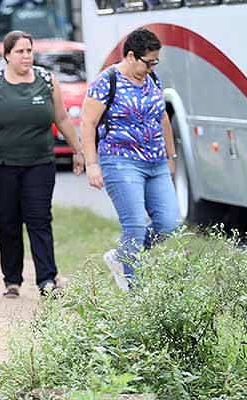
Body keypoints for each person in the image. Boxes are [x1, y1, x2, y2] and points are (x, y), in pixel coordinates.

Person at [0, 30, 84, 298]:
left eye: (29, 51)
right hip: (1, 164)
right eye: (20, 51)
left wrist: (79, 150)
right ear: (7, 55)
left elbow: (62, 119)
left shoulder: (46, 80)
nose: (26, 56)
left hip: (39, 162)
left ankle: (47, 279)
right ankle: (12, 280)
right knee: (8, 221)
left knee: (39, 218)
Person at [79, 28, 180, 291]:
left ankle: (122, 256)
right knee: (134, 224)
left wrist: (171, 157)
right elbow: (87, 123)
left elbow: (163, 118)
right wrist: (92, 164)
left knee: (169, 224)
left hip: (156, 162)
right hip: (120, 161)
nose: (152, 67)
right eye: (149, 62)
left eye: (155, 62)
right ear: (132, 56)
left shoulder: (152, 80)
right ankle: (135, 290)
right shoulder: (107, 81)